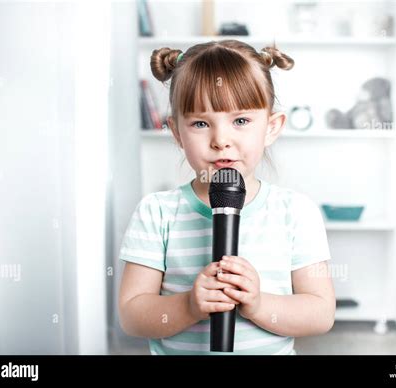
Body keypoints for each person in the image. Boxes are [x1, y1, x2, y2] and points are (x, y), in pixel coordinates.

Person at [118, 39, 335, 355]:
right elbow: (131, 316)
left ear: (272, 127)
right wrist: (189, 306)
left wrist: (258, 304)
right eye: (201, 123)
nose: (221, 140)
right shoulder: (157, 213)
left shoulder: (296, 213)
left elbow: (320, 314)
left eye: (241, 121)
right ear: (177, 132)